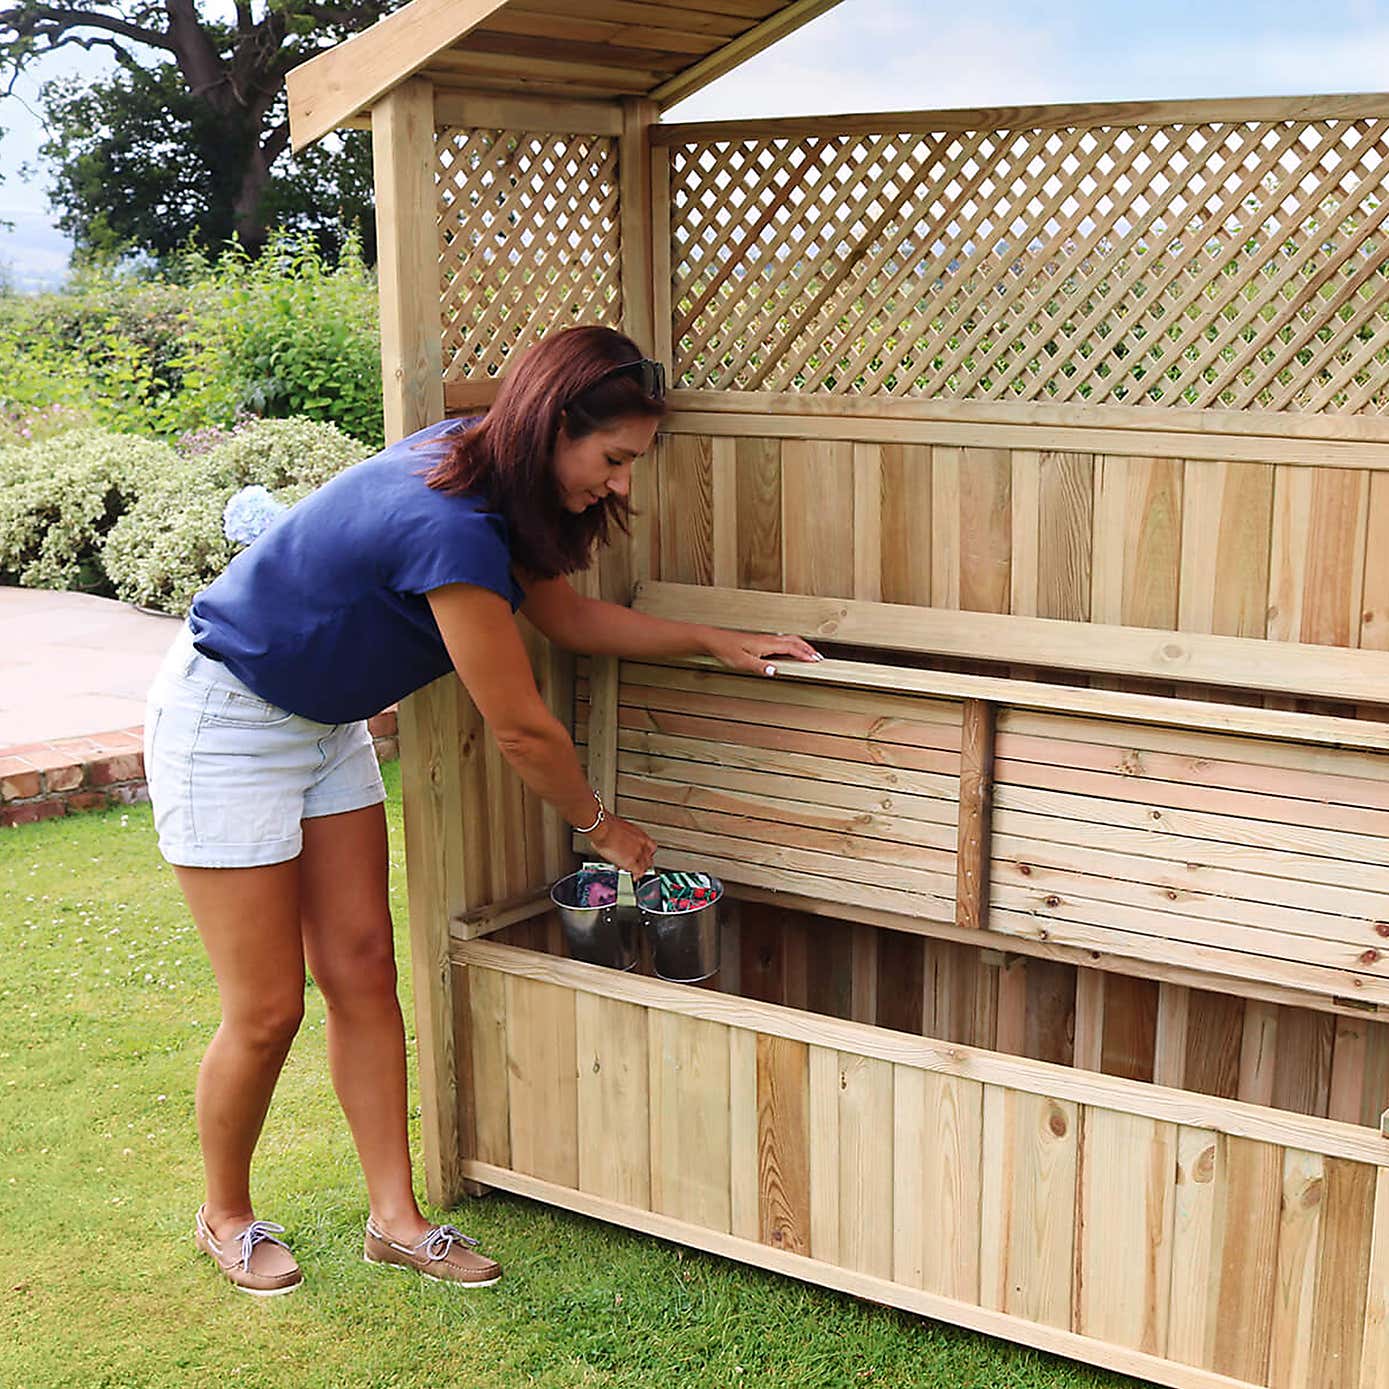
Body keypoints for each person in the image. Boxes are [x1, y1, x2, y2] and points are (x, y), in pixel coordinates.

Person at [143, 325, 821, 1296]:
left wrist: (710, 637)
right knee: (266, 1010)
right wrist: (603, 827)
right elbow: (520, 729)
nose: (624, 486)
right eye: (615, 459)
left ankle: (396, 1222)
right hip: (228, 720)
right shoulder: (453, 520)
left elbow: (566, 617)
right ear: (554, 428)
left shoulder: (496, 476)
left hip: (322, 727)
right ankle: (228, 1216)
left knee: (366, 972)